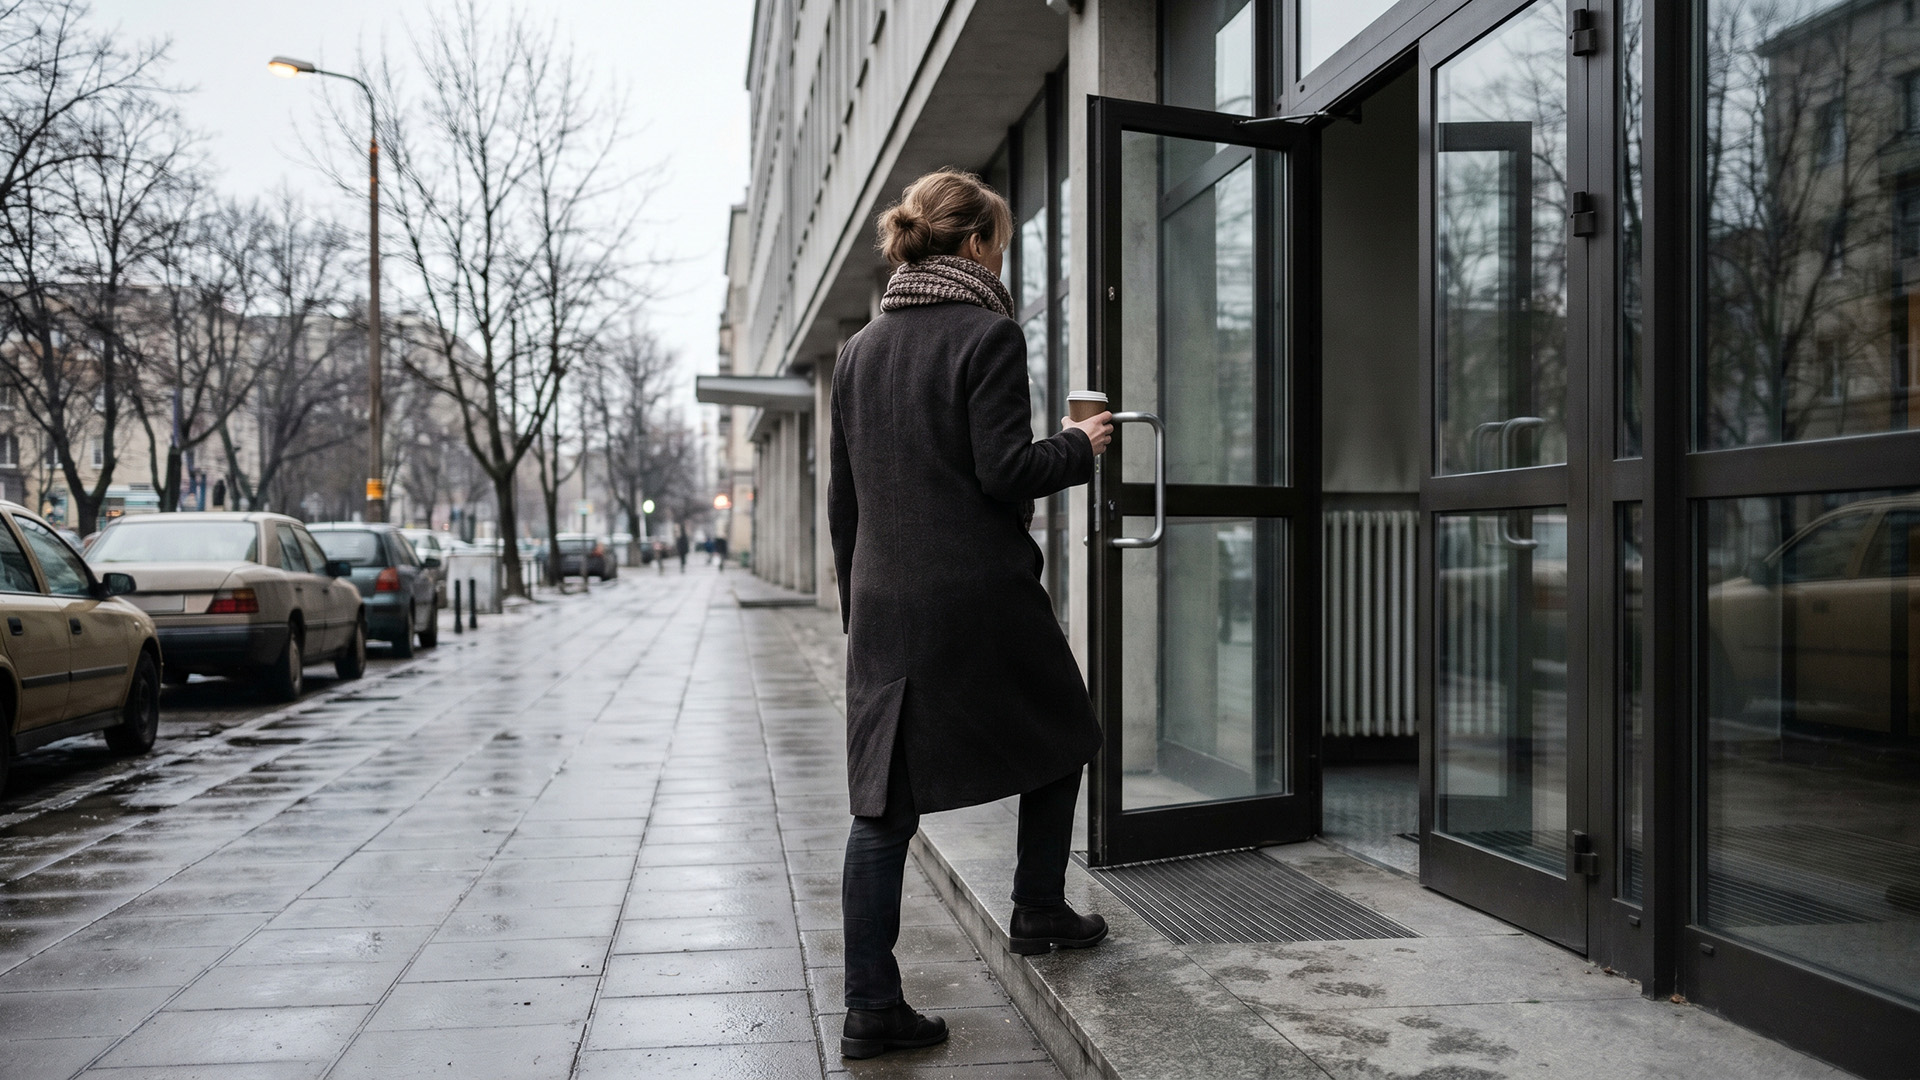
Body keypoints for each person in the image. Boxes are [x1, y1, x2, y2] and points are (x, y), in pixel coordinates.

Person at [828, 168, 1114, 1061]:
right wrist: (1081, 447)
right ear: (978, 245)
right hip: (977, 596)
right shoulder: (989, 335)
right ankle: (1036, 906)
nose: (1004, 256)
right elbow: (1004, 473)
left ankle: (873, 1004)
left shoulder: (858, 351)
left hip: (884, 603)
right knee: (1064, 728)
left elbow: (845, 502)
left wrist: (857, 608)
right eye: (1002, 241)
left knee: (882, 810)